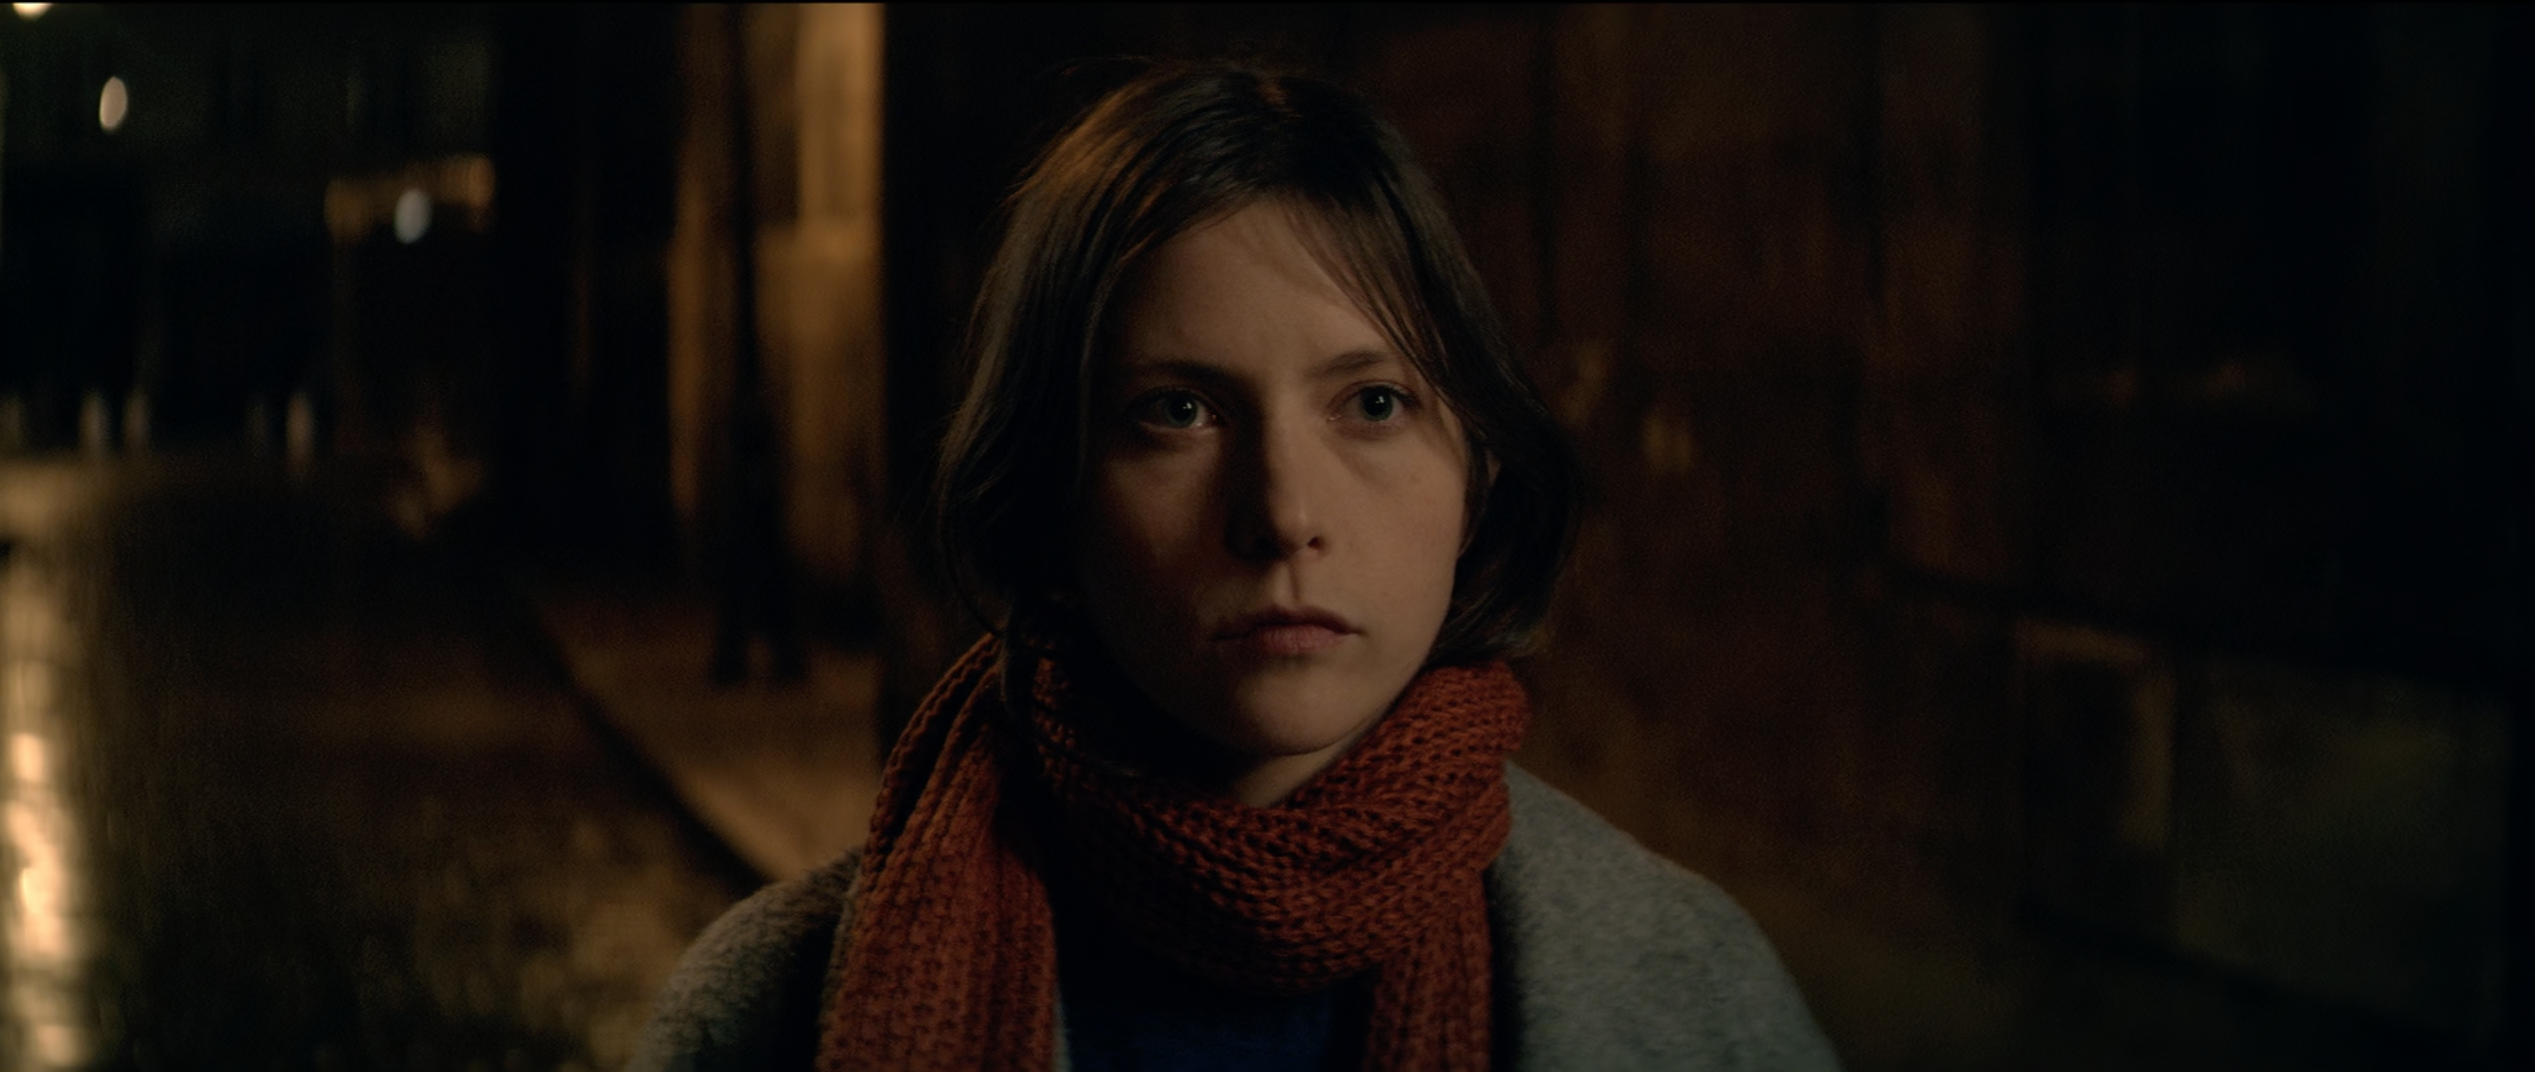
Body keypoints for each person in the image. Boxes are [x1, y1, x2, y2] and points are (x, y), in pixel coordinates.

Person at [631, 60, 1840, 1072]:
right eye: (1179, 412)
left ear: (1476, 477)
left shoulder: (1692, 993)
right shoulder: (766, 1012)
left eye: (1373, 402)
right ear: (1050, 496)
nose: (1283, 514)